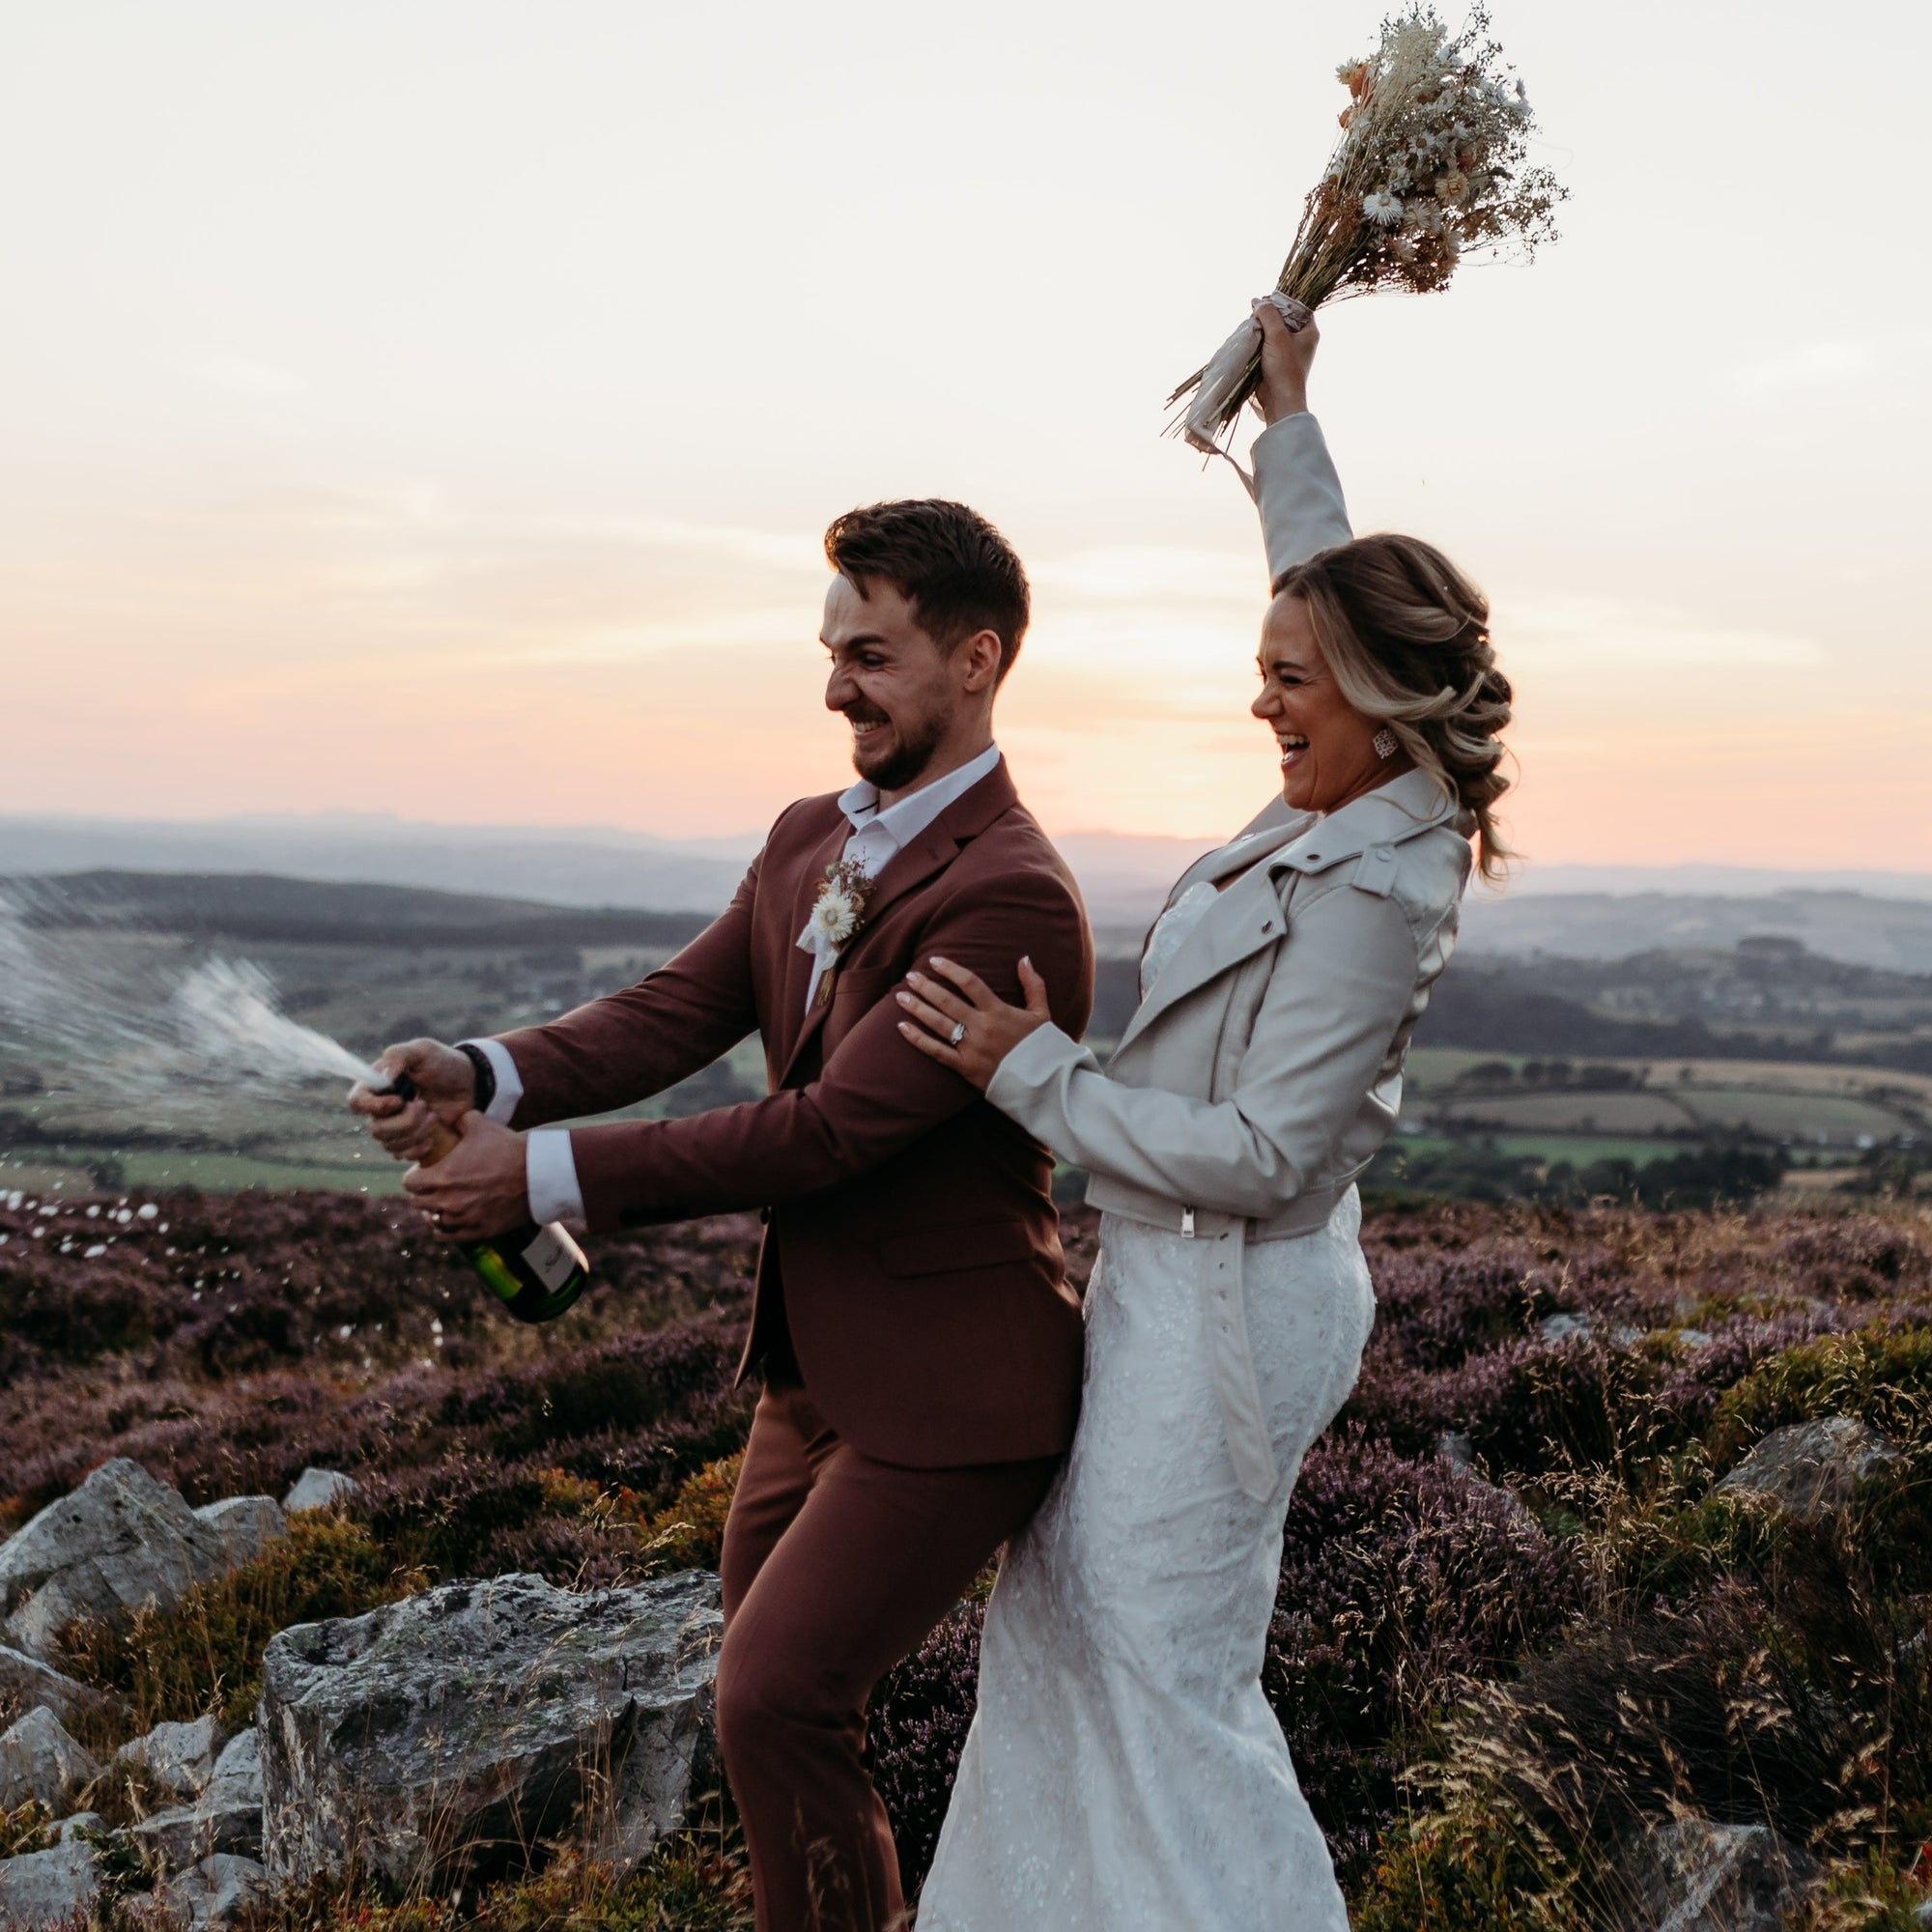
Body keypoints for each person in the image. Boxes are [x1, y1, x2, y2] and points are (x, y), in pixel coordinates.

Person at [348, 497, 1094, 1932]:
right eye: (829, 650)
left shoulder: (1013, 900)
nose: (833, 687)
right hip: (807, 1377)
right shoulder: (812, 835)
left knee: (777, 1697)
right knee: (764, 1706)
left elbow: (829, 1136)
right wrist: (484, 1074)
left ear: (978, 659)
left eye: (870, 655)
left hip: (953, 1388)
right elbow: (674, 1011)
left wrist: (544, 1175)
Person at [895, 302, 1514, 1930]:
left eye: (1288, 684)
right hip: (1163, 1282)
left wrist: (1036, 1080)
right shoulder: (1352, 779)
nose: (1264, 706)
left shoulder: (1382, 877)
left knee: (1165, 1675)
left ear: (1376, 695)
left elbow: (1270, 1158)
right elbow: (1320, 584)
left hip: (1231, 1302)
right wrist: (1291, 413)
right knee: (1063, 1623)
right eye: (1266, 673)